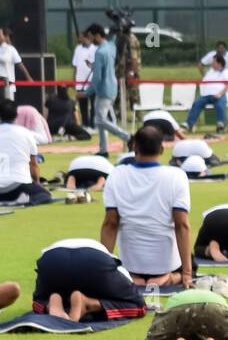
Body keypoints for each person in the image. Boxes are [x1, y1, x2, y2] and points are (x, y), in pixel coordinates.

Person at [101, 125, 191, 287]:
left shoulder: (116, 175)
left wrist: (103, 271)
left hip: (130, 266)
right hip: (166, 265)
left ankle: (136, 280)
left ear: (134, 147)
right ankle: (167, 278)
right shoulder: (177, 176)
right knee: (190, 262)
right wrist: (187, 273)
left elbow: (110, 224)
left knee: (129, 274)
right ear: (162, 149)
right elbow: (182, 225)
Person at [30, 237, 146, 323]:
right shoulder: (111, 262)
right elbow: (132, 295)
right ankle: (90, 304)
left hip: (52, 258)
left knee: (39, 301)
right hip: (93, 260)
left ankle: (51, 304)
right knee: (139, 307)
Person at [0, 97, 50, 205]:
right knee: (45, 195)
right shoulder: (26, 134)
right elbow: (33, 165)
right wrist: (37, 184)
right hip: (18, 186)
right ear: (16, 115)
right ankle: (24, 201)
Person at [84, 24, 129, 158]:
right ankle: (103, 150)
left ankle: (127, 137)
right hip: (112, 88)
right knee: (102, 119)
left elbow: (97, 77)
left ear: (97, 35)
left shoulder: (100, 52)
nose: (90, 40)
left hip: (103, 90)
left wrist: (86, 93)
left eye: (91, 37)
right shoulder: (111, 47)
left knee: (100, 121)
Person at [186, 51, 228, 132]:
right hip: (206, 96)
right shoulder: (210, 72)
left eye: (213, 62)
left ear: (219, 63)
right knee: (197, 103)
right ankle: (188, 125)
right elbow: (204, 82)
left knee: (220, 104)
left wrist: (220, 94)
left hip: (220, 95)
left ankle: (221, 124)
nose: (211, 64)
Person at [72, 31, 97, 125]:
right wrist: (74, 80)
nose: (79, 39)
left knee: (93, 105)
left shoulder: (95, 49)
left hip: (91, 82)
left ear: (87, 38)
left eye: (80, 37)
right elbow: (75, 65)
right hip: (80, 82)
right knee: (82, 105)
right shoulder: (77, 49)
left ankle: (92, 124)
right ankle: (85, 124)